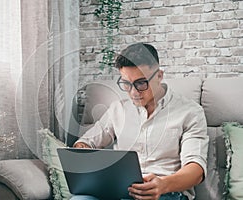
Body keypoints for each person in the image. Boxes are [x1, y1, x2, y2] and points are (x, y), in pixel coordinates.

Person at [71, 43, 209, 200]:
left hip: (166, 194)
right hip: (119, 191)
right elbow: (86, 143)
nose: (133, 92)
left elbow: (196, 170)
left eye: (141, 83)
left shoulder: (190, 112)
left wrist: (163, 184)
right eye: (126, 84)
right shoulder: (118, 109)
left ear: (159, 75)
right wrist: (82, 150)